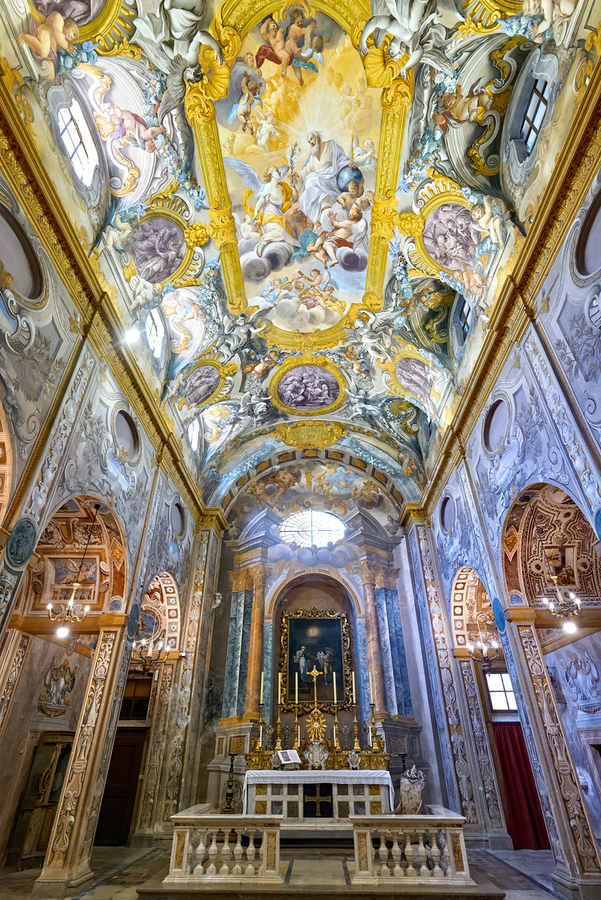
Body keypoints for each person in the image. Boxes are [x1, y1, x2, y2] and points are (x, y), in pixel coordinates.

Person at [296, 132, 351, 225]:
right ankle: (318, 215)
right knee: (309, 183)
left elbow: (341, 157)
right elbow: (307, 169)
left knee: (311, 180)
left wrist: (347, 164)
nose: (311, 143)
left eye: (312, 139)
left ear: (317, 137)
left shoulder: (330, 144)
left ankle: (326, 204)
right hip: (319, 180)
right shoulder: (313, 155)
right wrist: (298, 175)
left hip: (331, 179)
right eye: (309, 141)